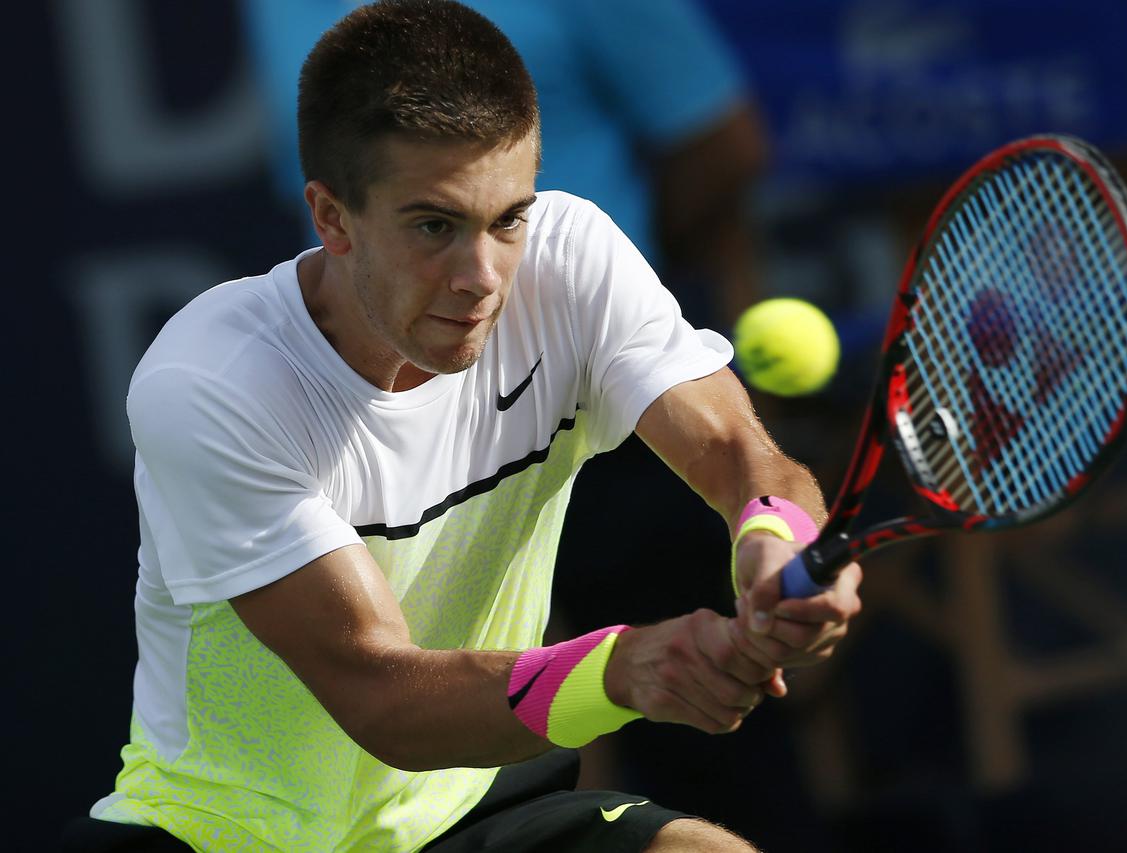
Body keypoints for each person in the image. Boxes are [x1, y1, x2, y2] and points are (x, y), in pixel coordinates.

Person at [66, 2, 861, 851]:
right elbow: (387, 698)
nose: (481, 277)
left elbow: (744, 456)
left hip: (467, 812)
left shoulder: (574, 262)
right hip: (225, 837)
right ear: (332, 218)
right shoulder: (212, 383)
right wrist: (628, 667)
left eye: (507, 219)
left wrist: (774, 538)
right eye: (434, 226)